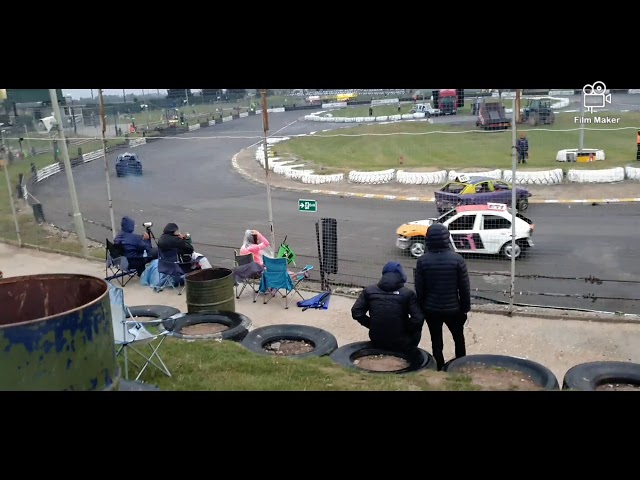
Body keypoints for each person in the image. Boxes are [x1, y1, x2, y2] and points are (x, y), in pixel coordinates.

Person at [414, 223, 471, 371]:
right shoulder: (457, 260)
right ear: (447, 238)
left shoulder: (423, 261)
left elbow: (420, 289)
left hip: (431, 309)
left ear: (428, 239)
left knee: (436, 340)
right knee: (459, 338)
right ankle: (460, 365)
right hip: (454, 308)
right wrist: (465, 308)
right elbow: (464, 288)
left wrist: (421, 309)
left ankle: (439, 366)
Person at [351, 262, 425, 360]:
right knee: (417, 327)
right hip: (403, 341)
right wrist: (405, 328)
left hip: (377, 338)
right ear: (401, 275)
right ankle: (410, 352)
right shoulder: (408, 293)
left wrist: (371, 324)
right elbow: (418, 319)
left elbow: (356, 312)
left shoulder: (369, 290)